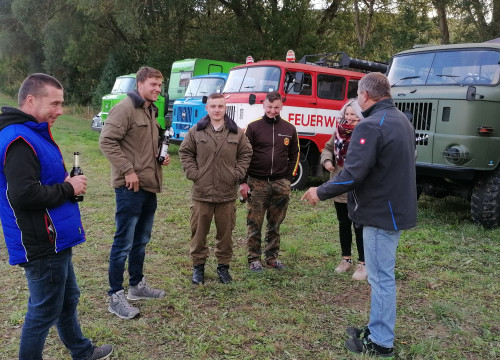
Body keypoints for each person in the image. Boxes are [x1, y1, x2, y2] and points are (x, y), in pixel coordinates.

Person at [301, 72, 417, 357]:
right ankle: (376, 328)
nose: (356, 100)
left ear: (364, 95)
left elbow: (352, 174)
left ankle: (380, 342)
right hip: (394, 209)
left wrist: (320, 191)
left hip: (380, 213)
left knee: (380, 278)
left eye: (357, 95)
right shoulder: (401, 120)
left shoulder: (371, 126)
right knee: (381, 276)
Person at [0, 73, 112, 359]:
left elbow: (38, 183)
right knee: (43, 311)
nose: (61, 110)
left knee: (67, 299)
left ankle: (82, 351)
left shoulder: (32, 133)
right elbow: (22, 195)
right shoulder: (19, 140)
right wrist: (67, 187)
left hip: (55, 237)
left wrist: (65, 185)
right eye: (55, 103)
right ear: (30, 100)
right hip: (42, 240)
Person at [100, 66, 170, 319]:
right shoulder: (125, 108)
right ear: (140, 84)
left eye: (160, 86)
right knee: (123, 242)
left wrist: (160, 158)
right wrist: (127, 170)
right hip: (129, 187)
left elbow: (142, 146)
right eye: (153, 84)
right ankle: (115, 295)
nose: (157, 89)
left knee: (141, 241)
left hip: (148, 185)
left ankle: (136, 286)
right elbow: (106, 141)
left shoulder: (151, 110)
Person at [179, 93, 252, 284]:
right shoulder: (197, 131)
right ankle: (198, 268)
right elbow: (185, 152)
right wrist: (194, 174)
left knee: (226, 234)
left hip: (226, 194)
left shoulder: (236, 132)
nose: (217, 110)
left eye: (220, 106)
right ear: (207, 108)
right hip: (201, 194)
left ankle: (223, 267)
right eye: (213, 106)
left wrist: (237, 174)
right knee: (198, 233)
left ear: (225, 108)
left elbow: (246, 153)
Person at [239, 91, 300, 271]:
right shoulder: (253, 127)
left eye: (276, 107)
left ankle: (272, 257)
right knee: (254, 222)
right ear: (263, 106)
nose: (273, 111)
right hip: (257, 182)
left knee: (275, 223)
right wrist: (243, 181)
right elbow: (243, 155)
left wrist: (288, 178)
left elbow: (295, 154)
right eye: (269, 107)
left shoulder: (289, 129)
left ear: (282, 106)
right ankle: (254, 258)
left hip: (281, 183)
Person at [320, 99, 366, 281]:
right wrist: (327, 161)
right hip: (339, 186)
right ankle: (346, 259)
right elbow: (328, 148)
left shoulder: (365, 132)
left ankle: (363, 263)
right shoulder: (338, 131)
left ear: (360, 115)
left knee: (359, 225)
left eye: (353, 115)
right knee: (343, 223)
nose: (349, 118)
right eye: (347, 114)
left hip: (358, 188)